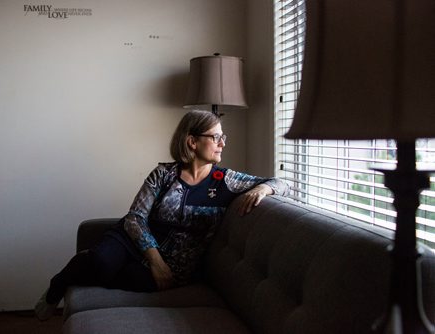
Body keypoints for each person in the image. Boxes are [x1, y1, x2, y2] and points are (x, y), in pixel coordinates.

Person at [34, 110, 290, 320]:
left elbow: (282, 183)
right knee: (101, 263)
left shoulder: (226, 181)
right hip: (132, 239)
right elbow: (135, 217)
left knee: (128, 276)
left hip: (176, 263)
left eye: (223, 136)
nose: (223, 143)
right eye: (216, 137)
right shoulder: (163, 174)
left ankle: (90, 266)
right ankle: (57, 285)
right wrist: (156, 261)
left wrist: (264, 188)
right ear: (192, 141)